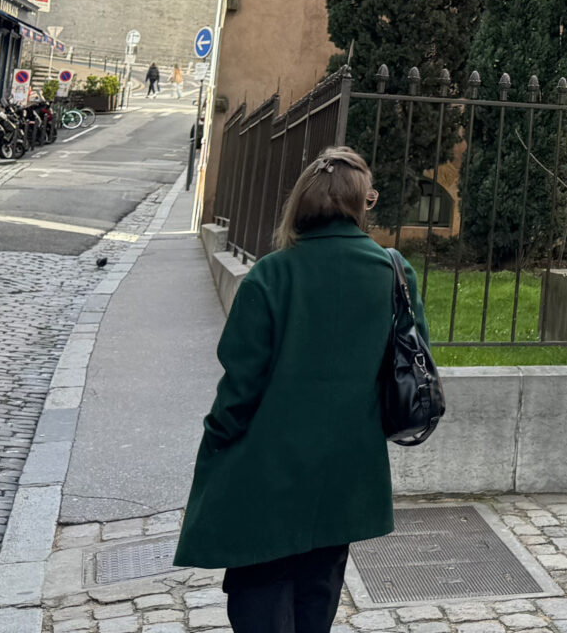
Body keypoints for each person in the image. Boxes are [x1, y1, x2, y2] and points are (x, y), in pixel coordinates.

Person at [175, 148, 427, 632]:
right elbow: (407, 362)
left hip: (269, 467)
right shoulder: (393, 273)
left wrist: (218, 437)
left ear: (301, 203)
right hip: (348, 470)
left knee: (260, 592)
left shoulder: (272, 274)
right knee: (319, 593)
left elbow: (241, 383)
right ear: (363, 203)